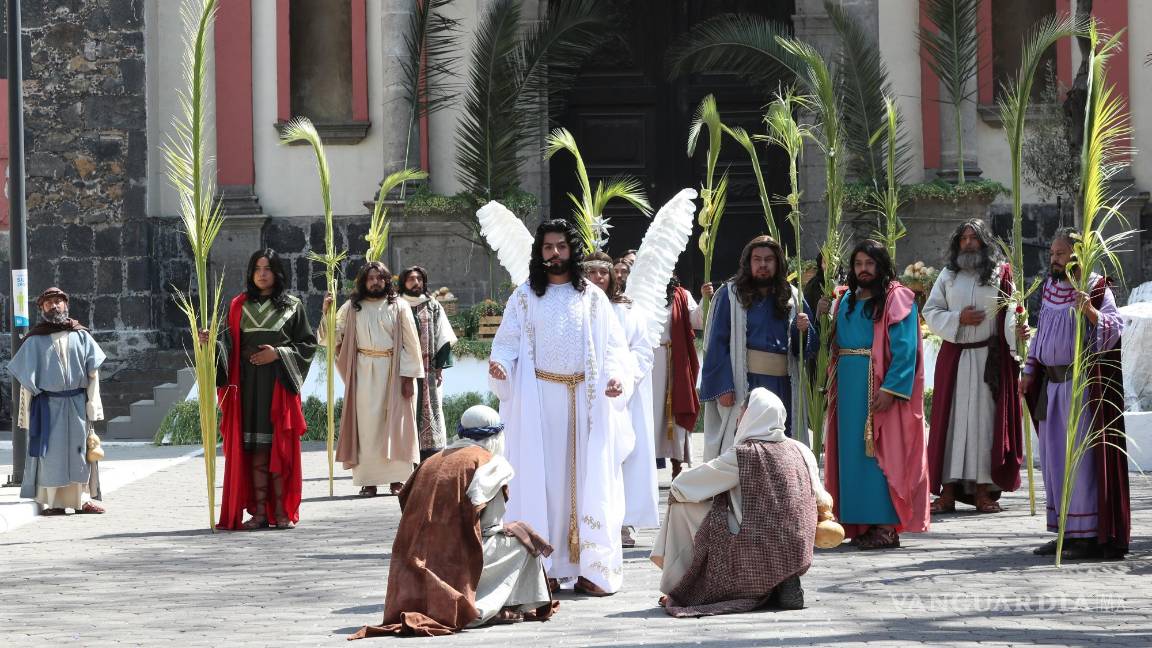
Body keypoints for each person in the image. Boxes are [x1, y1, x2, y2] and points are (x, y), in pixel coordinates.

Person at [489, 219, 632, 596]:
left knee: (590, 481)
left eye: (562, 247)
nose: (555, 254)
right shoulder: (523, 297)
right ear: (540, 253)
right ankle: (545, 568)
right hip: (540, 403)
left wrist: (616, 377)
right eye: (548, 247)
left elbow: (616, 348)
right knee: (544, 483)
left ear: (572, 251)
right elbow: (505, 343)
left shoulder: (593, 298)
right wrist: (500, 365)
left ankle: (592, 569)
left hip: (587, 401)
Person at [349, 405, 556, 638]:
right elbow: (488, 527)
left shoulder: (430, 462)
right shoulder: (492, 464)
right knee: (523, 545)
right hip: (452, 565)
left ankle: (495, 604)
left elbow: (407, 506)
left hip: (410, 565)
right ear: (496, 436)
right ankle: (481, 611)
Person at [650, 388, 828, 617]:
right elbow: (822, 498)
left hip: (753, 551)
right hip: (796, 552)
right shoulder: (802, 450)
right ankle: (781, 579)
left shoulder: (744, 455)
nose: (738, 417)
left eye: (742, 411)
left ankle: (681, 587)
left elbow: (682, 486)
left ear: (753, 415)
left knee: (683, 504)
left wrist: (716, 493)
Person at [1021, 228, 1129, 560]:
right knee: (1054, 462)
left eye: (1060, 254)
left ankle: (1088, 535)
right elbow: (1043, 335)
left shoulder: (1096, 287)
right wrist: (1028, 370)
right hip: (1051, 388)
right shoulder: (1052, 288)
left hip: (1081, 388)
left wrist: (1091, 312)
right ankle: (1065, 532)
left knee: (1079, 463)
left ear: (1077, 255)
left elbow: (1115, 327)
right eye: (1052, 254)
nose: (1053, 259)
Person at [822, 239, 929, 550]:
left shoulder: (897, 299)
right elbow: (833, 342)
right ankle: (860, 523)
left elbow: (906, 349)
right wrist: (820, 316)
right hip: (847, 387)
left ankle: (885, 526)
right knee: (852, 457)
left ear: (881, 265)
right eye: (858, 264)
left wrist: (891, 388)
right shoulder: (845, 300)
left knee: (881, 456)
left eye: (870, 264)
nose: (864, 270)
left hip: (877, 387)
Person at [924, 219, 1022, 514]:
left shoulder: (1000, 274)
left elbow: (1012, 311)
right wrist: (957, 320)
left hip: (987, 361)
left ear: (984, 242)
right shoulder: (947, 275)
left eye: (974, 238)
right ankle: (947, 493)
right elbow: (930, 310)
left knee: (983, 425)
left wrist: (1019, 333)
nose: (968, 243)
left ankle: (983, 492)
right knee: (951, 424)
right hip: (955, 357)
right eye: (964, 238)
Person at [213, 249, 316, 530]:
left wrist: (279, 354)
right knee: (256, 451)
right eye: (257, 268)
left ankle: (282, 511)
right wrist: (209, 343)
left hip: (278, 387)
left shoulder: (293, 306)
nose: (262, 273)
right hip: (247, 389)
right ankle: (258, 512)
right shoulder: (238, 305)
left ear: (277, 272)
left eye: (268, 268)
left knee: (278, 450)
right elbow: (227, 347)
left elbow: (307, 345)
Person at [700, 236, 815, 459]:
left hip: (782, 386)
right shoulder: (730, 295)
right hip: (746, 384)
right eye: (757, 259)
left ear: (778, 263)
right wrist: (723, 387)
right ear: (748, 262)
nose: (763, 265)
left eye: (769, 259)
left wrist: (803, 329)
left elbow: (805, 348)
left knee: (781, 445)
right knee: (746, 444)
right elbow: (716, 344)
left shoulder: (792, 295)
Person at [321, 261, 424, 498]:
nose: (375, 282)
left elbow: (411, 343)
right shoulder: (351, 307)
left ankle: (398, 479)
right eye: (370, 278)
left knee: (396, 426)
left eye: (379, 278)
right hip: (363, 373)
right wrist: (327, 312)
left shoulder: (399, 306)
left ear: (387, 280)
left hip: (394, 371)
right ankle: (368, 481)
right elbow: (332, 338)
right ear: (363, 281)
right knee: (366, 428)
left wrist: (409, 377)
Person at [9, 287, 106, 516]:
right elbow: (26, 381)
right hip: (48, 407)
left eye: (58, 302)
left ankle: (81, 500)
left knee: (79, 453)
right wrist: (26, 415)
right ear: (42, 308)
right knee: (50, 455)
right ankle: (53, 503)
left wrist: (93, 405)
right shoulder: (35, 340)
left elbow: (93, 374)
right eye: (49, 303)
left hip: (77, 405)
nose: (54, 306)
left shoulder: (81, 335)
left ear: (66, 305)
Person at [584, 251, 657, 548]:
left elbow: (642, 350)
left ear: (613, 276)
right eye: (592, 273)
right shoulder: (576, 307)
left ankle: (625, 521)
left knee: (625, 455)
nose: (598, 278)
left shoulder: (627, 310)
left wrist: (625, 380)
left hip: (624, 394)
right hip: (587, 394)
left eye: (603, 272)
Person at [399, 265, 458, 461]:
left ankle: (429, 453)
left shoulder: (433, 305)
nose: (416, 283)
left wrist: (439, 366)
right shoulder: (397, 305)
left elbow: (444, 335)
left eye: (419, 279)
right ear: (403, 282)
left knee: (430, 406)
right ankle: (404, 453)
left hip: (428, 369)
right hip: (401, 370)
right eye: (411, 279)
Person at [652, 277, 702, 478]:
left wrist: (706, 300)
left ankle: (676, 466)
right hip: (648, 361)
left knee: (674, 411)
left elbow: (697, 321)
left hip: (674, 359)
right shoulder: (643, 292)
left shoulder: (681, 295)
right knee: (650, 414)